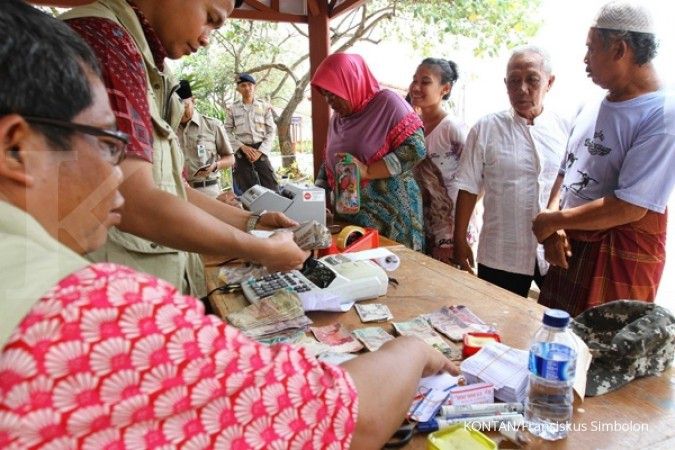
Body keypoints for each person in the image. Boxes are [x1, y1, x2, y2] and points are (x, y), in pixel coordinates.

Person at [0, 3, 458, 449]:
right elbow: (346, 418)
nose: (121, 180)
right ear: (17, 149)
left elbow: (171, 190)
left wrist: (253, 222)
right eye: (107, 143)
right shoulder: (94, 312)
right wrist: (413, 351)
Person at [58, 0, 306, 298]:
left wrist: (252, 221)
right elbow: (132, 200)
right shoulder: (106, 45)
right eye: (210, 18)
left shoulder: (141, 56)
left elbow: (172, 188)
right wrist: (261, 249)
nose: (206, 37)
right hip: (108, 298)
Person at [533, 1, 675, 316]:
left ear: (620, 49)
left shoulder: (663, 115)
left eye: (591, 49)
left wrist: (553, 221)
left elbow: (630, 205)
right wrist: (553, 226)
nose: (585, 60)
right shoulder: (590, 105)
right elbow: (565, 171)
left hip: (616, 260)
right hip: (569, 248)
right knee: (553, 345)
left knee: (602, 357)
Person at [453, 46, 568, 298]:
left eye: (532, 80)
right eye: (514, 81)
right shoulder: (486, 128)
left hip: (554, 252)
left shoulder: (564, 128)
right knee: (496, 325)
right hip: (501, 252)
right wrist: (459, 240)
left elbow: (569, 181)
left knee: (556, 323)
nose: (522, 89)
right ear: (506, 84)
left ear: (549, 82)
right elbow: (468, 186)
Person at [312, 52, 426, 251]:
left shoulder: (387, 103)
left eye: (332, 93)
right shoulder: (338, 119)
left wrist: (368, 170)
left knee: (398, 275)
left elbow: (416, 148)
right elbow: (329, 161)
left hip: (392, 220)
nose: (329, 101)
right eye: (325, 95)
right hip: (352, 222)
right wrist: (318, 198)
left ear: (350, 83)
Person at [409, 57, 479, 264]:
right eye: (415, 80)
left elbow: (477, 176)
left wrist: (463, 224)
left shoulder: (453, 128)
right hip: (424, 223)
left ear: (445, 89)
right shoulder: (412, 128)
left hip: (452, 228)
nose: (416, 87)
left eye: (425, 81)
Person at [176, 79, 235, 198]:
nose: (181, 112)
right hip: (180, 191)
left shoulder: (213, 125)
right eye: (177, 108)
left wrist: (215, 166)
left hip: (208, 190)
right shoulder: (168, 129)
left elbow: (230, 158)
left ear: (193, 100)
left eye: (185, 106)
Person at [225, 72, 280, 194]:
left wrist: (260, 151)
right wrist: (242, 147)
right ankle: (252, 214)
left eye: (250, 84)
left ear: (254, 86)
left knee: (272, 187)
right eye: (243, 85)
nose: (247, 88)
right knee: (248, 191)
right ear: (238, 89)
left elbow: (271, 131)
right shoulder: (232, 108)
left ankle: (275, 212)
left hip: (260, 150)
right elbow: (226, 131)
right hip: (242, 152)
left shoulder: (265, 106)